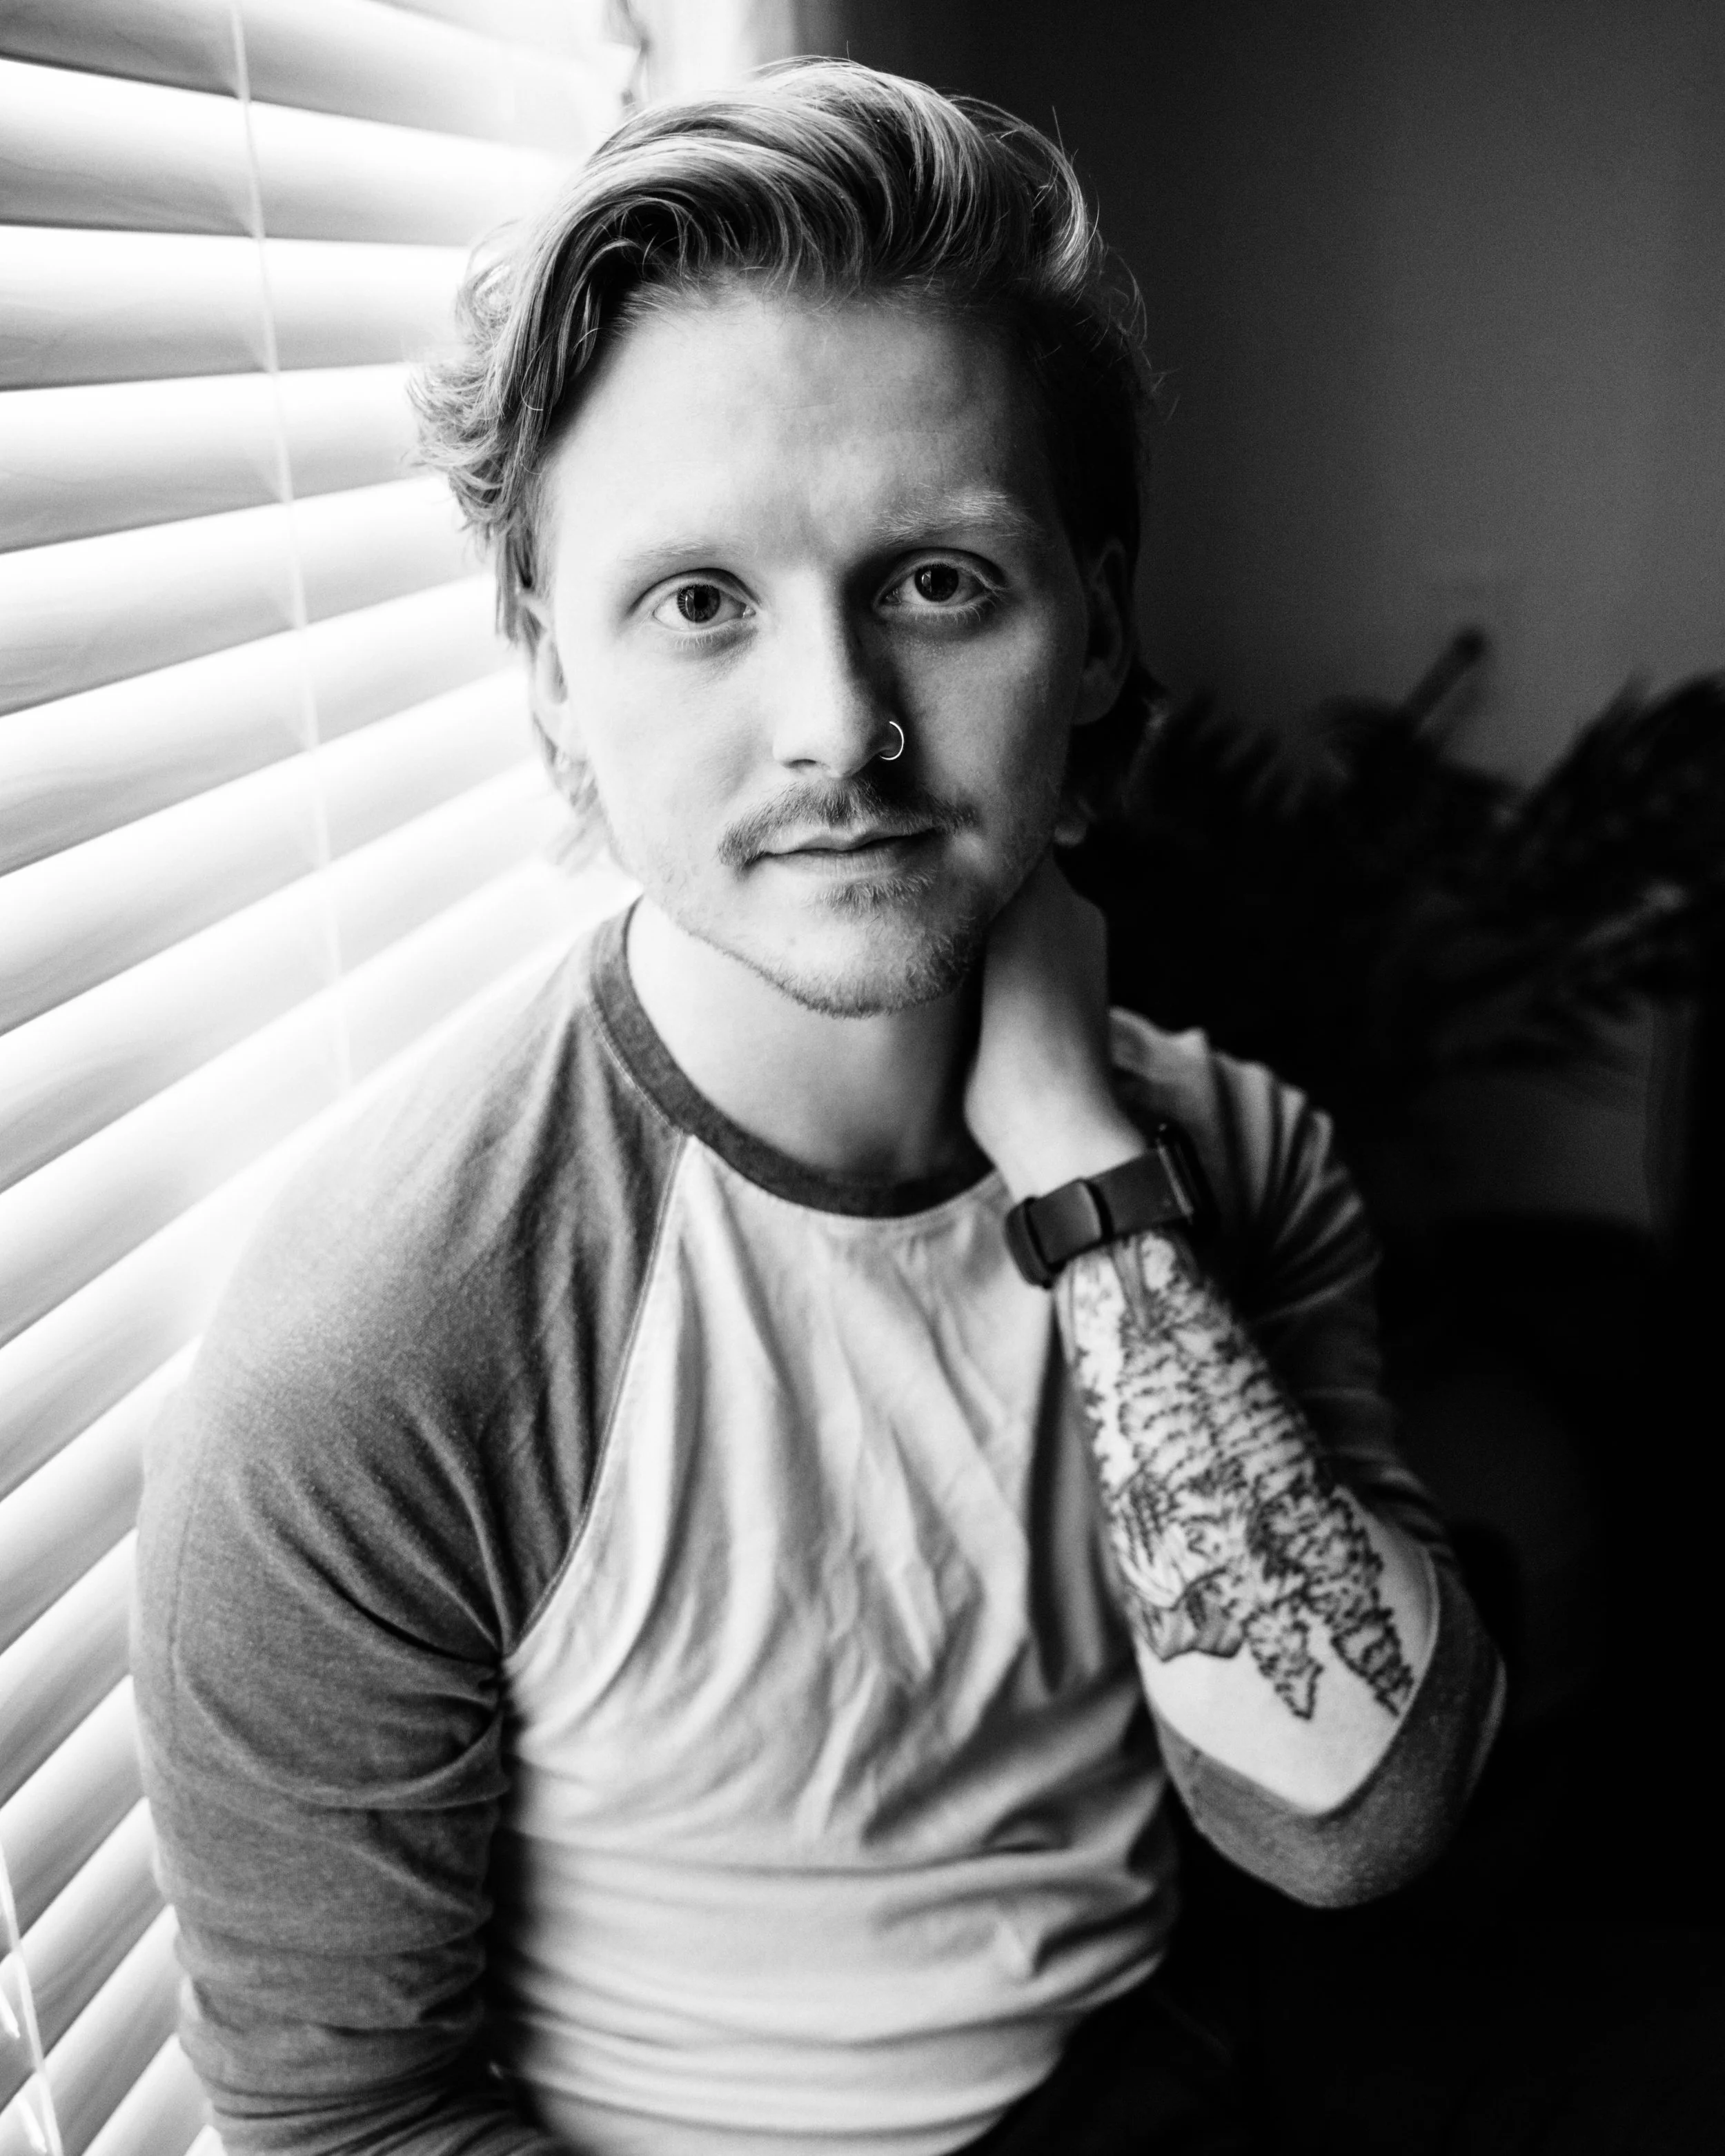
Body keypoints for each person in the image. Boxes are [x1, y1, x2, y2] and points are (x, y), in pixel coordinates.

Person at [134, 60, 1504, 2156]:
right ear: (547, 676)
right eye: (698, 604)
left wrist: (1070, 1150)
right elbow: (347, 2127)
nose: (838, 731)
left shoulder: (1227, 1156)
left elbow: (1354, 1815)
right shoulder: (385, 1341)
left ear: (1101, 623)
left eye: (939, 581)